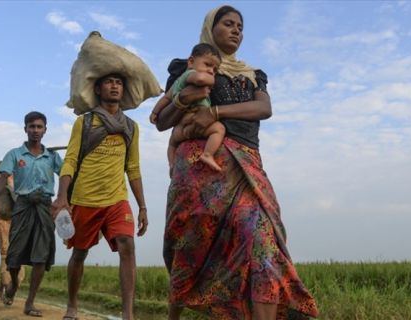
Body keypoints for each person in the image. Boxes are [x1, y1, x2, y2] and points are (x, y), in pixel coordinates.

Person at [156, 6, 319, 320]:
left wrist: (216, 113)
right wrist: (184, 99)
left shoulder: (253, 74)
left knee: (262, 241)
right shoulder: (190, 68)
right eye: (227, 24)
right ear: (210, 28)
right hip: (201, 168)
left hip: (247, 166)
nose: (235, 31)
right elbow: (162, 121)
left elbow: (264, 108)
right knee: (190, 245)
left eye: (240, 27)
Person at [52, 73, 148, 320]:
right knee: (79, 254)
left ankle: (128, 314)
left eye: (118, 82)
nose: (114, 86)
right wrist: (62, 196)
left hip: (117, 199)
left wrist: (143, 207)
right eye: (109, 82)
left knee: (127, 245)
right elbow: (70, 160)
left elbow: (133, 167)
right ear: (97, 88)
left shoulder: (130, 127)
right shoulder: (84, 123)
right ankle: (72, 305)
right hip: (85, 199)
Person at [0, 111, 63, 317]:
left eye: (40, 127)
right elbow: (4, 177)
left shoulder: (52, 157)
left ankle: (30, 302)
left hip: (45, 206)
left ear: (45, 130)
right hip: (22, 206)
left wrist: (65, 200)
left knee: (41, 255)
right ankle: (12, 284)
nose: (36, 130)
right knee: (14, 255)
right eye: (32, 127)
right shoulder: (15, 154)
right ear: (25, 129)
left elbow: (67, 176)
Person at [150, 43, 224, 173]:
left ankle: (172, 164)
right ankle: (207, 154)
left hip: (181, 127)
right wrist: (213, 80)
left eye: (215, 69)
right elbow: (201, 79)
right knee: (219, 129)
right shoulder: (190, 74)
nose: (211, 71)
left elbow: (166, 98)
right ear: (191, 62)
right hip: (195, 117)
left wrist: (155, 111)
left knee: (172, 143)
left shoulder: (177, 81)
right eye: (207, 65)